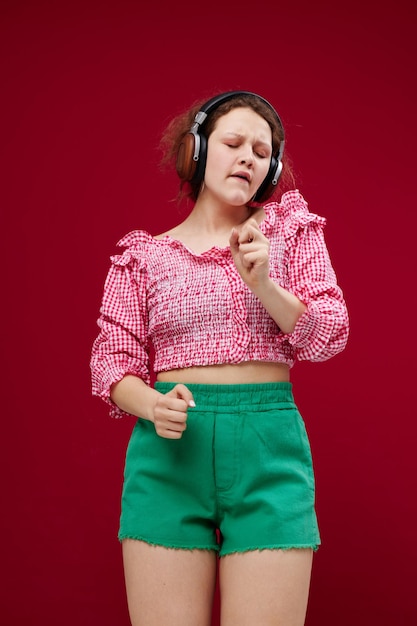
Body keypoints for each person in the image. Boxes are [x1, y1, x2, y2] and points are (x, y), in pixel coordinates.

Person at [90, 90, 349, 626]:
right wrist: (152, 405)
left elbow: (329, 336)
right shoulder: (143, 256)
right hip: (169, 454)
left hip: (267, 450)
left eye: (262, 149)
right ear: (198, 150)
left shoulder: (289, 232)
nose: (248, 156)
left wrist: (265, 283)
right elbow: (110, 362)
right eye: (234, 142)